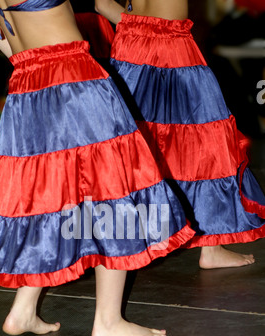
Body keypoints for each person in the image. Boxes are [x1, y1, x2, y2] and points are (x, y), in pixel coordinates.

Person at [0, 0, 195, 336]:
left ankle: (23, 310)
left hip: (28, 80)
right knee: (114, 189)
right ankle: (108, 322)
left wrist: (21, 56)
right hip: (73, 77)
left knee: (50, 196)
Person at [95, 0, 265, 269]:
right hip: (171, 46)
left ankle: (135, 237)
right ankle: (210, 247)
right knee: (205, 143)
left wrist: (138, 25)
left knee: (141, 141)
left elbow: (102, 4)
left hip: (130, 43)